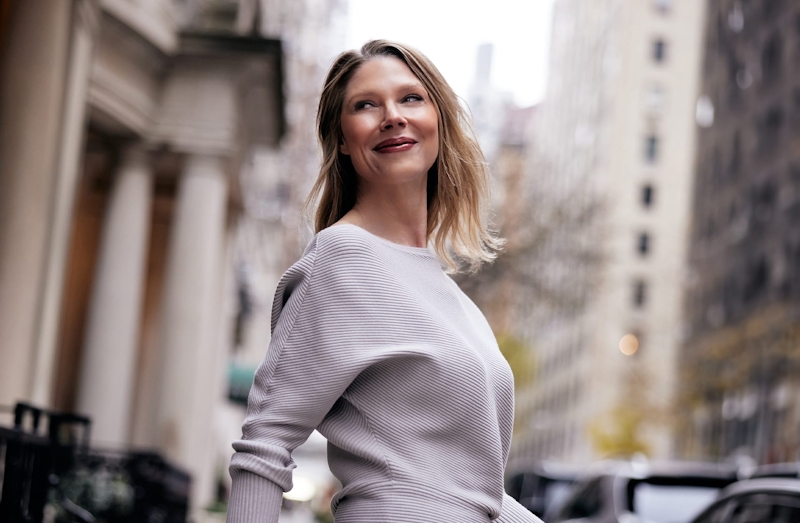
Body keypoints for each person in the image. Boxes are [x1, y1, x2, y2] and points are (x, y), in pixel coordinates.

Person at [227, 40, 542, 523]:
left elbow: (473, 494)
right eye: (366, 105)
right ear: (342, 139)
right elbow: (265, 443)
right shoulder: (342, 257)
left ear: (439, 121)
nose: (392, 116)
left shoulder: (455, 302)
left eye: (410, 98)